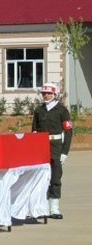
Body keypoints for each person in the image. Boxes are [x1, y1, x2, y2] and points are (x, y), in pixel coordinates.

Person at [31, 83, 73, 221]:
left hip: (56, 148)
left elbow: (68, 132)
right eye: (44, 93)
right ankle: (41, 207)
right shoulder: (39, 110)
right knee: (41, 178)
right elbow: (34, 131)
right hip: (41, 148)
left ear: (55, 95)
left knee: (55, 178)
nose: (46, 95)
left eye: (48, 93)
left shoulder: (62, 110)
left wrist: (64, 152)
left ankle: (54, 208)